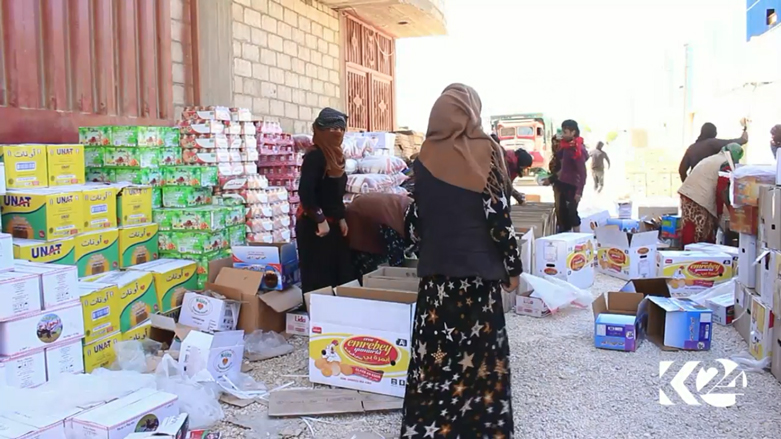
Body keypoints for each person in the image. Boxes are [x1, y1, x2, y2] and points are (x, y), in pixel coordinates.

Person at [400, 84, 521, 439]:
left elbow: (415, 224)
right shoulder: (486, 152)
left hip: (436, 280)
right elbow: (498, 217)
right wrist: (512, 266)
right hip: (477, 279)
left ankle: (431, 426)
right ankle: (480, 427)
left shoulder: (423, 158)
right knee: (480, 358)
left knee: (435, 356)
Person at [296, 108, 354, 306]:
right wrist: (320, 219)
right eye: (332, 128)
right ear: (321, 130)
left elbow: (335, 194)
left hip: (332, 224)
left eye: (341, 128)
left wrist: (341, 217)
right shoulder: (315, 156)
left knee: (340, 273)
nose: (337, 133)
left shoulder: (337, 158)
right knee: (317, 277)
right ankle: (317, 322)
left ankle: (336, 320)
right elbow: (306, 192)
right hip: (314, 227)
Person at [677, 143, 743, 246]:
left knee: (690, 227)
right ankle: (695, 258)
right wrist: (731, 211)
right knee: (700, 232)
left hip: (688, 193)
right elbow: (723, 189)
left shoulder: (715, 158)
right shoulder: (725, 163)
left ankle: (686, 255)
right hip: (699, 197)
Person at [344, 193, 413, 280]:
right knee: (367, 268)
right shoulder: (396, 228)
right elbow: (396, 263)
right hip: (361, 216)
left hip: (380, 212)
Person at [547, 120, 587, 232]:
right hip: (562, 184)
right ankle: (566, 239)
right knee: (562, 214)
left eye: (565, 132)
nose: (563, 135)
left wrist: (579, 192)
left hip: (573, 186)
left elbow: (582, 173)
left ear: (573, 132)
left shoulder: (578, 150)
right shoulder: (565, 147)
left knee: (572, 214)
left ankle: (577, 238)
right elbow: (560, 163)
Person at [679, 122, 748, 182]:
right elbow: (732, 143)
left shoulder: (692, 148)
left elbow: (681, 170)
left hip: (694, 186)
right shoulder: (712, 143)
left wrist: (687, 184)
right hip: (708, 183)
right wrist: (743, 138)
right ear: (713, 132)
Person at [490, 133, 534, 204]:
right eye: (525, 167)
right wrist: (518, 197)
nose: (524, 170)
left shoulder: (511, 159)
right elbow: (506, 184)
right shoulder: (511, 163)